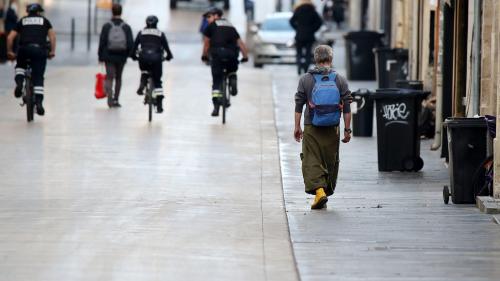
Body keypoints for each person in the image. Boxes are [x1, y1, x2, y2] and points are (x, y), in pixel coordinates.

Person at [294, 45, 352, 210]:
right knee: (329, 160)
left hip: (312, 125)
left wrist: (297, 126)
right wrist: (347, 130)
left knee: (311, 159)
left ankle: (319, 192)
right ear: (331, 59)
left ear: (315, 59)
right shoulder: (339, 79)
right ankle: (324, 191)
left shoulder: (306, 79)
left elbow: (299, 105)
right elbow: (347, 107)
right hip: (333, 127)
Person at [7, 3, 56, 116]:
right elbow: (52, 37)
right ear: (39, 12)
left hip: (24, 49)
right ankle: (39, 103)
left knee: (20, 66)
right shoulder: (45, 21)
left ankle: (19, 84)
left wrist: (10, 51)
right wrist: (52, 51)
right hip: (39, 50)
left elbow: (10, 37)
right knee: (38, 76)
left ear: (28, 12)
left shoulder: (22, 21)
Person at [201, 7, 249, 117]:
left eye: (209, 17)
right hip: (231, 56)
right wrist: (245, 56)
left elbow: (207, 43)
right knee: (232, 67)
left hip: (217, 56)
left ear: (216, 15)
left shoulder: (211, 27)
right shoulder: (231, 26)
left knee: (216, 81)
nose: (207, 19)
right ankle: (232, 77)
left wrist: (204, 56)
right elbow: (240, 43)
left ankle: (216, 108)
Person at [131, 15, 173, 113]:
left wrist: (133, 56)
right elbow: (166, 48)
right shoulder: (160, 34)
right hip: (157, 59)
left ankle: (143, 81)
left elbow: (134, 47)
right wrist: (169, 56)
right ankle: (159, 105)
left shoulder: (141, 32)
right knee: (157, 81)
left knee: (144, 69)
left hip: (143, 58)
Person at [98, 3, 134, 108]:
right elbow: (130, 43)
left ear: (112, 12)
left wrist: (100, 56)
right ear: (121, 12)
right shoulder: (126, 27)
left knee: (109, 77)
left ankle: (109, 99)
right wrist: (129, 55)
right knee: (118, 77)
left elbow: (102, 42)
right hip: (121, 56)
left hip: (108, 56)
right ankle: (116, 100)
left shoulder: (106, 26)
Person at [290, 0, 323, 75]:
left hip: (299, 35)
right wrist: (313, 29)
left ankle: (299, 66)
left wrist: (297, 28)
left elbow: (291, 21)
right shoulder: (312, 11)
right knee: (308, 53)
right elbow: (319, 22)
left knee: (299, 53)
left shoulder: (298, 10)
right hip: (309, 35)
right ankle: (305, 68)